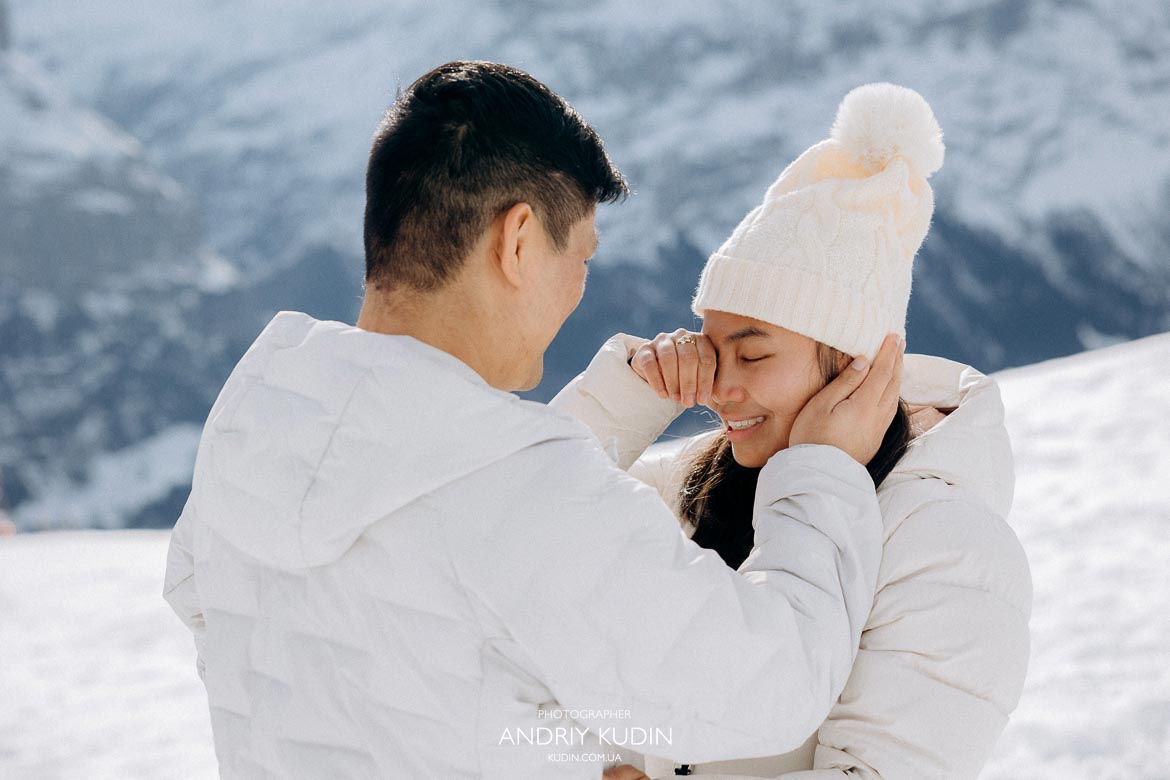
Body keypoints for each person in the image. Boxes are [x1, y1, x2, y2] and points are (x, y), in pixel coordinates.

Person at [162, 61, 907, 778]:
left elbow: (321, 650)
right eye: (580, 258)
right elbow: (769, 686)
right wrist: (822, 468)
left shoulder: (258, 421)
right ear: (516, 241)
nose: (578, 290)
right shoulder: (521, 488)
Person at [552, 83, 1032, 778]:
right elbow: (518, 525)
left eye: (752, 355)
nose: (718, 385)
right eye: (710, 347)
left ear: (854, 365)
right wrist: (632, 394)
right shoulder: (696, 482)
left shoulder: (948, 546)